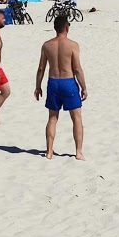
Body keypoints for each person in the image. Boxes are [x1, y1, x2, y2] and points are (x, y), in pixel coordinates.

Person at [34, 12, 88, 159]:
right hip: (68, 82)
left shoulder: (46, 45)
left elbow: (41, 68)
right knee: (76, 117)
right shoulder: (73, 45)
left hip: (53, 83)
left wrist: (37, 86)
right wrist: (84, 87)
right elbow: (77, 69)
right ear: (67, 28)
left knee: (52, 118)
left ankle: (49, 151)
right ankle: (78, 152)